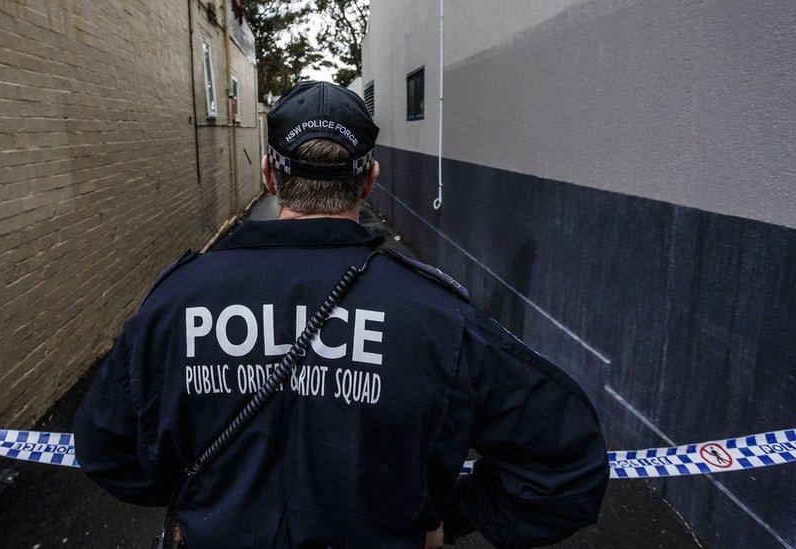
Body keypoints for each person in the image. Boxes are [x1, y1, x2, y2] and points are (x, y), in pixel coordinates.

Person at [73, 81, 609, 548]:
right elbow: (565, 467)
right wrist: (446, 518)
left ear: (269, 175)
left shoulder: (174, 303)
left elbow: (106, 449)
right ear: (370, 179)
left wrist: (208, 500)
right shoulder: (437, 319)